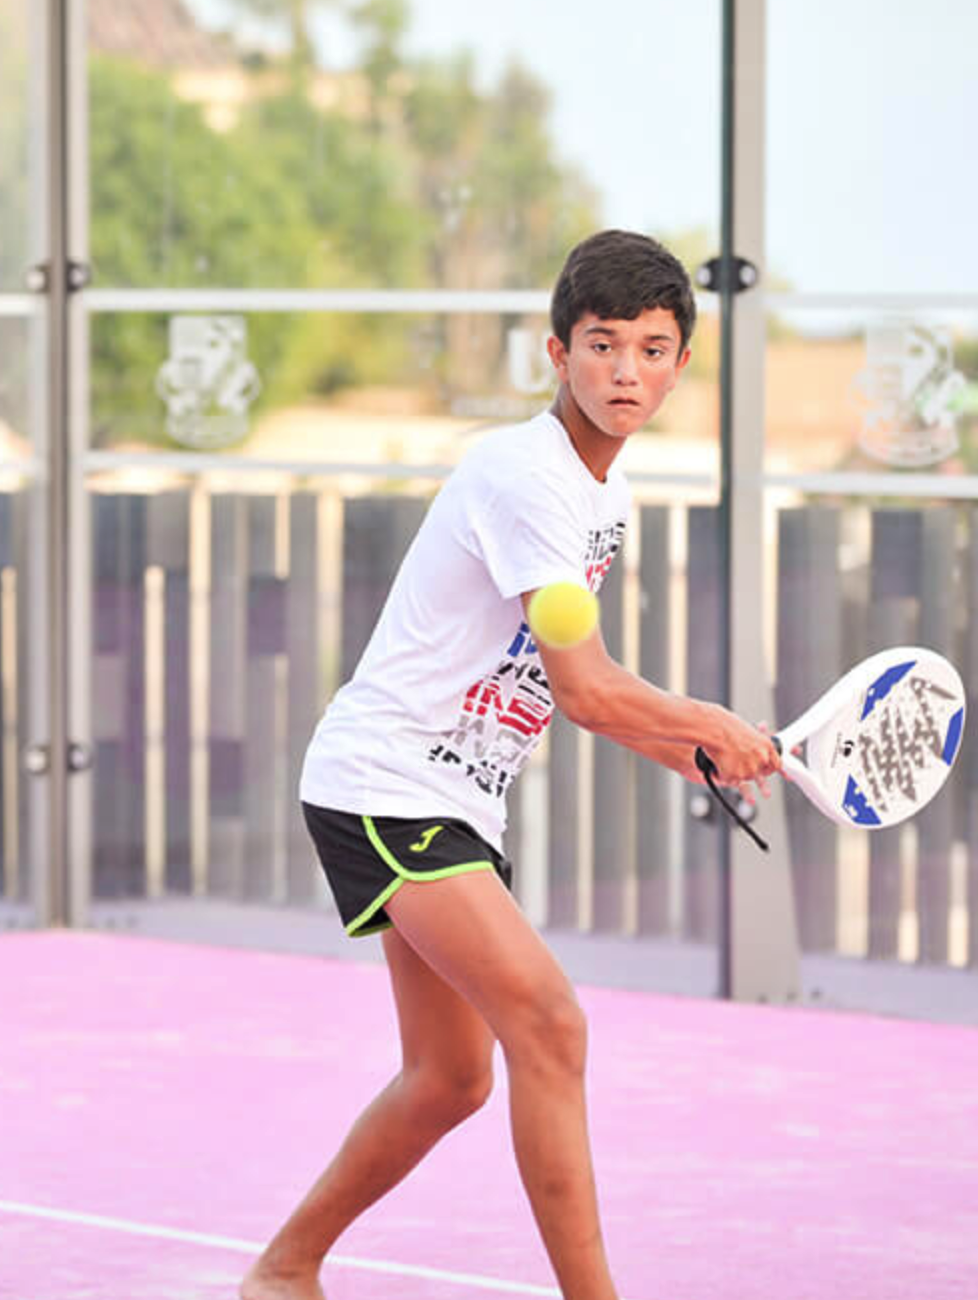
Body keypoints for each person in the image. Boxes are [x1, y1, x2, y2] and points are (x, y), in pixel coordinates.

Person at [240, 229, 781, 1300]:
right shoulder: (525, 477)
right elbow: (585, 688)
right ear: (557, 352)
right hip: (389, 784)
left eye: (653, 349)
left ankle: (284, 1270)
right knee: (550, 1023)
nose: (625, 371)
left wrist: (682, 745)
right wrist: (703, 722)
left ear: (680, 364)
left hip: (450, 795)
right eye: (603, 344)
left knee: (449, 1078)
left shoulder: (599, 495)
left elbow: (560, 677)